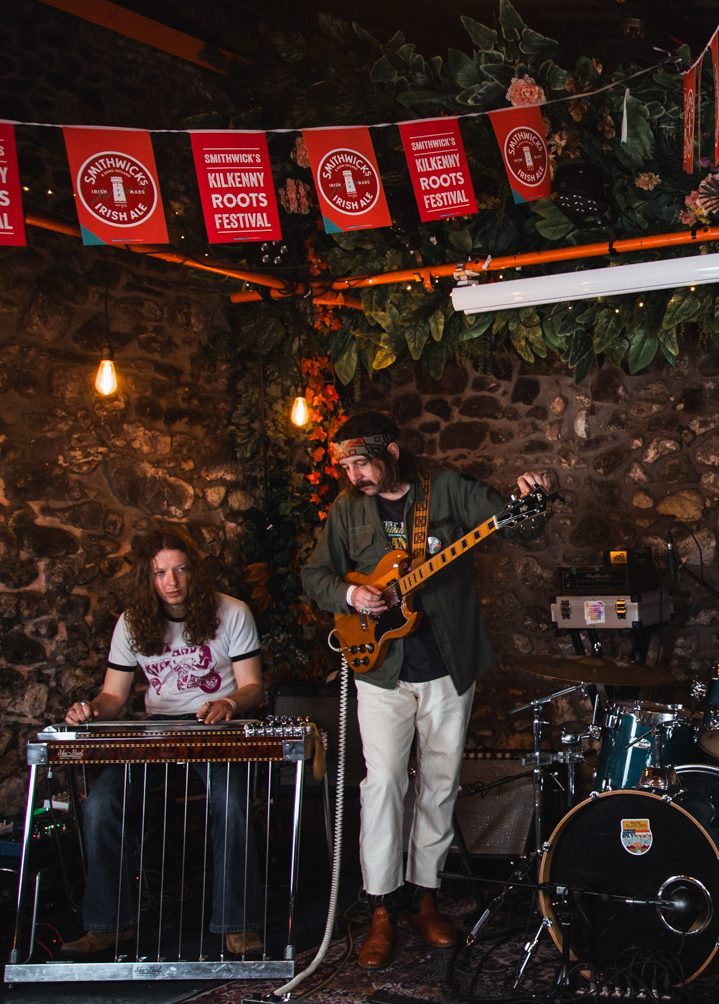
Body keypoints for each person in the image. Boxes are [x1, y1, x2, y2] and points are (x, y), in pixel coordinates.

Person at [301, 412, 551, 971]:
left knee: (439, 786)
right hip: (380, 669)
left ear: (391, 451)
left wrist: (531, 500)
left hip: (446, 664)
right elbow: (315, 575)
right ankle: (381, 911)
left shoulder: (448, 490)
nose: (354, 474)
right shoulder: (347, 510)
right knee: (384, 784)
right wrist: (352, 596)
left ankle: (426, 899)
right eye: (345, 465)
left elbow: (517, 526)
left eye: (361, 462)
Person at [60, 528, 266, 958]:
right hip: (156, 733)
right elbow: (113, 696)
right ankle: (109, 924)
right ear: (147, 578)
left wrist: (228, 702)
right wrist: (91, 710)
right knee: (100, 804)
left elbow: (253, 688)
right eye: (160, 573)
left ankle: (237, 924)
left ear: (194, 572)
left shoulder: (232, 612)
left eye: (179, 570)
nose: (171, 582)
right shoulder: (132, 622)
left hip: (214, 733)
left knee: (231, 802)